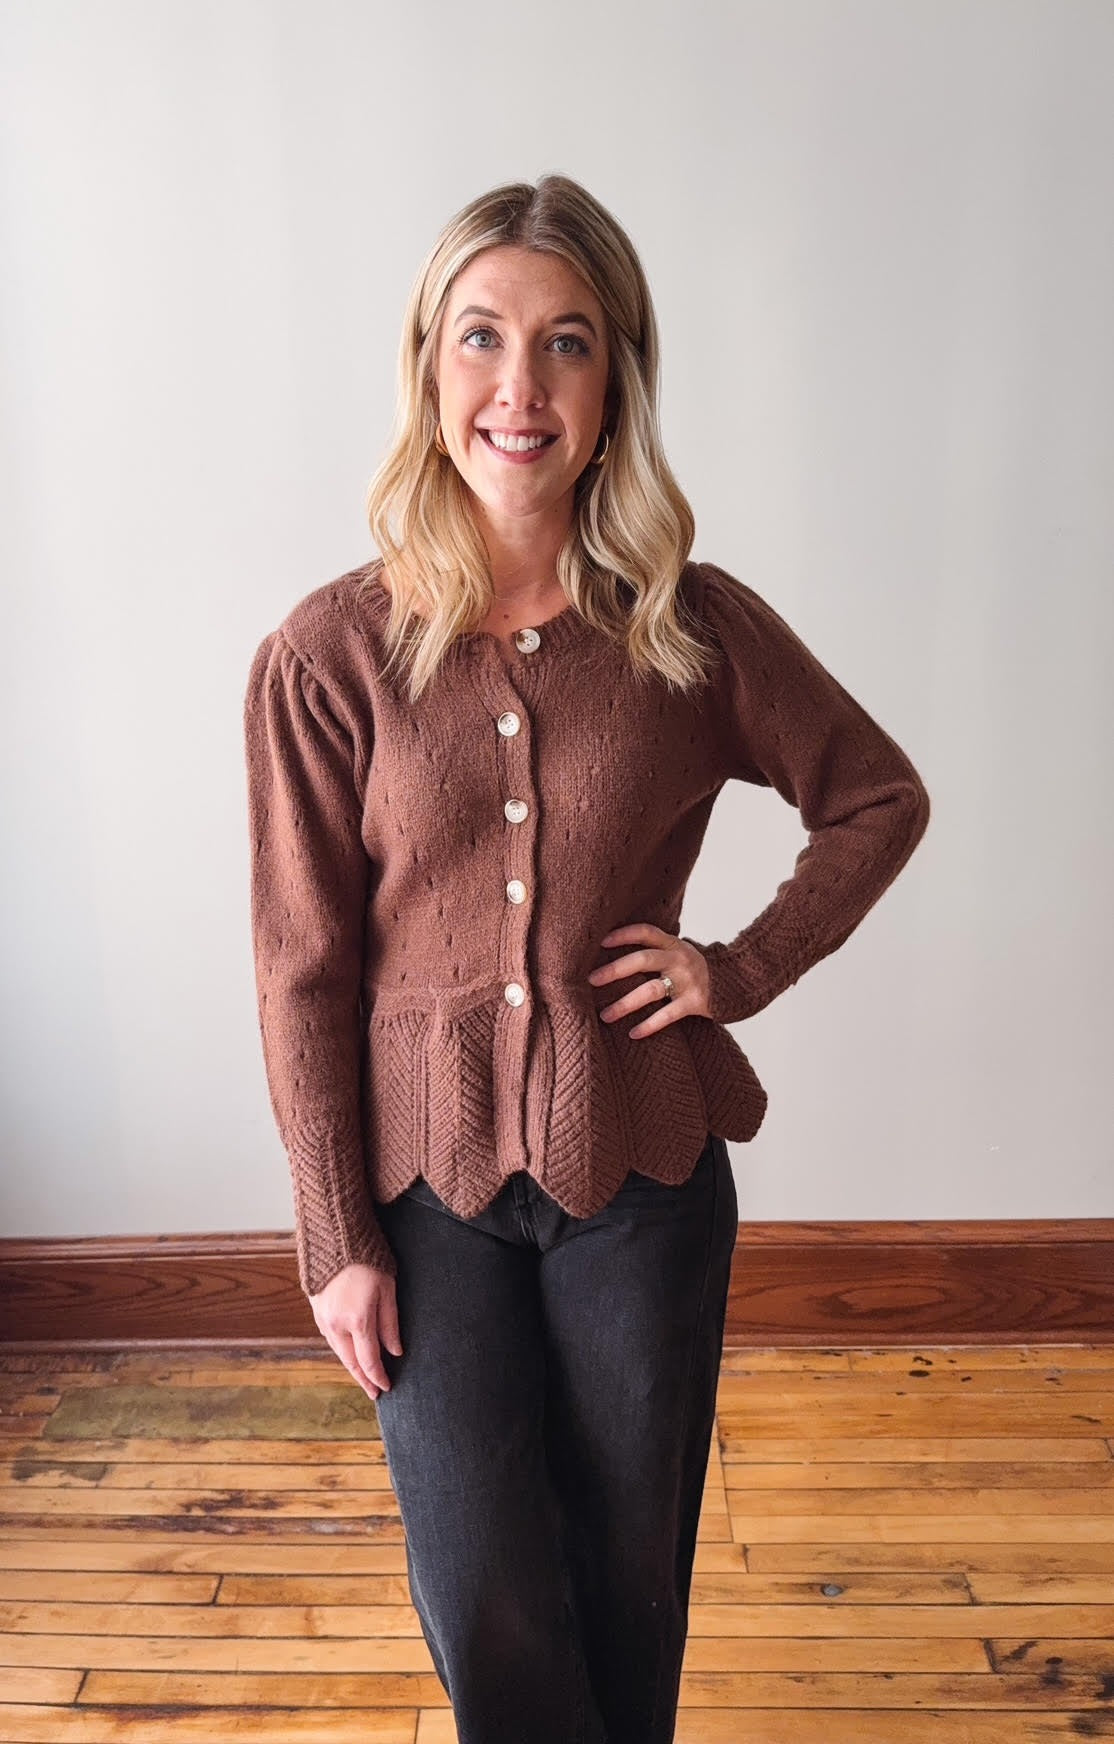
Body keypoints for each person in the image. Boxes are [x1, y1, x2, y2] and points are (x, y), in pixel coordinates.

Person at [243, 173, 930, 1744]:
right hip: (421, 1200)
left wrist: (733, 970)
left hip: (644, 1178)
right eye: (480, 336)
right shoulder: (327, 654)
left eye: (565, 342)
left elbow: (876, 800)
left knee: (629, 1583)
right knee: (484, 1590)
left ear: (616, 378)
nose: (519, 386)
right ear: (428, 366)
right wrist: (333, 1231)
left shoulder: (689, 628)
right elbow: (301, 970)